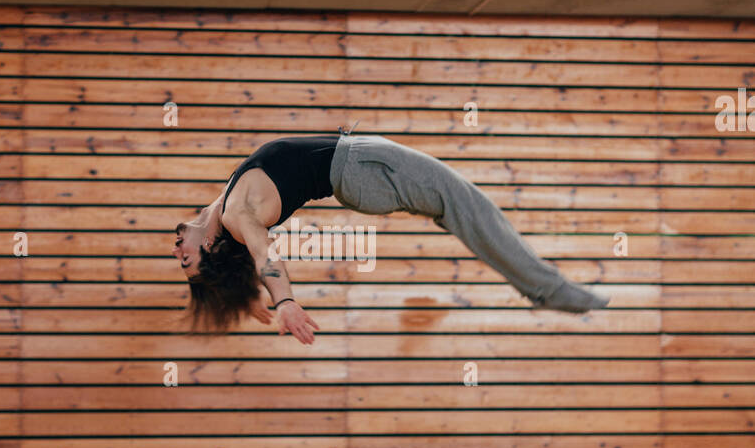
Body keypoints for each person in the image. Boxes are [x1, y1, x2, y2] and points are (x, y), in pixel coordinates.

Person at [175, 130, 609, 344]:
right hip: (367, 170)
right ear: (211, 247)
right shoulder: (236, 215)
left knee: (465, 212)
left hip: (365, 166)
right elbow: (263, 255)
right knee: (471, 209)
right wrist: (283, 301)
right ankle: (550, 291)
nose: (178, 250)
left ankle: (543, 287)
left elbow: (237, 262)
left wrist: (240, 295)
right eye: (185, 260)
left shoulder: (220, 206)